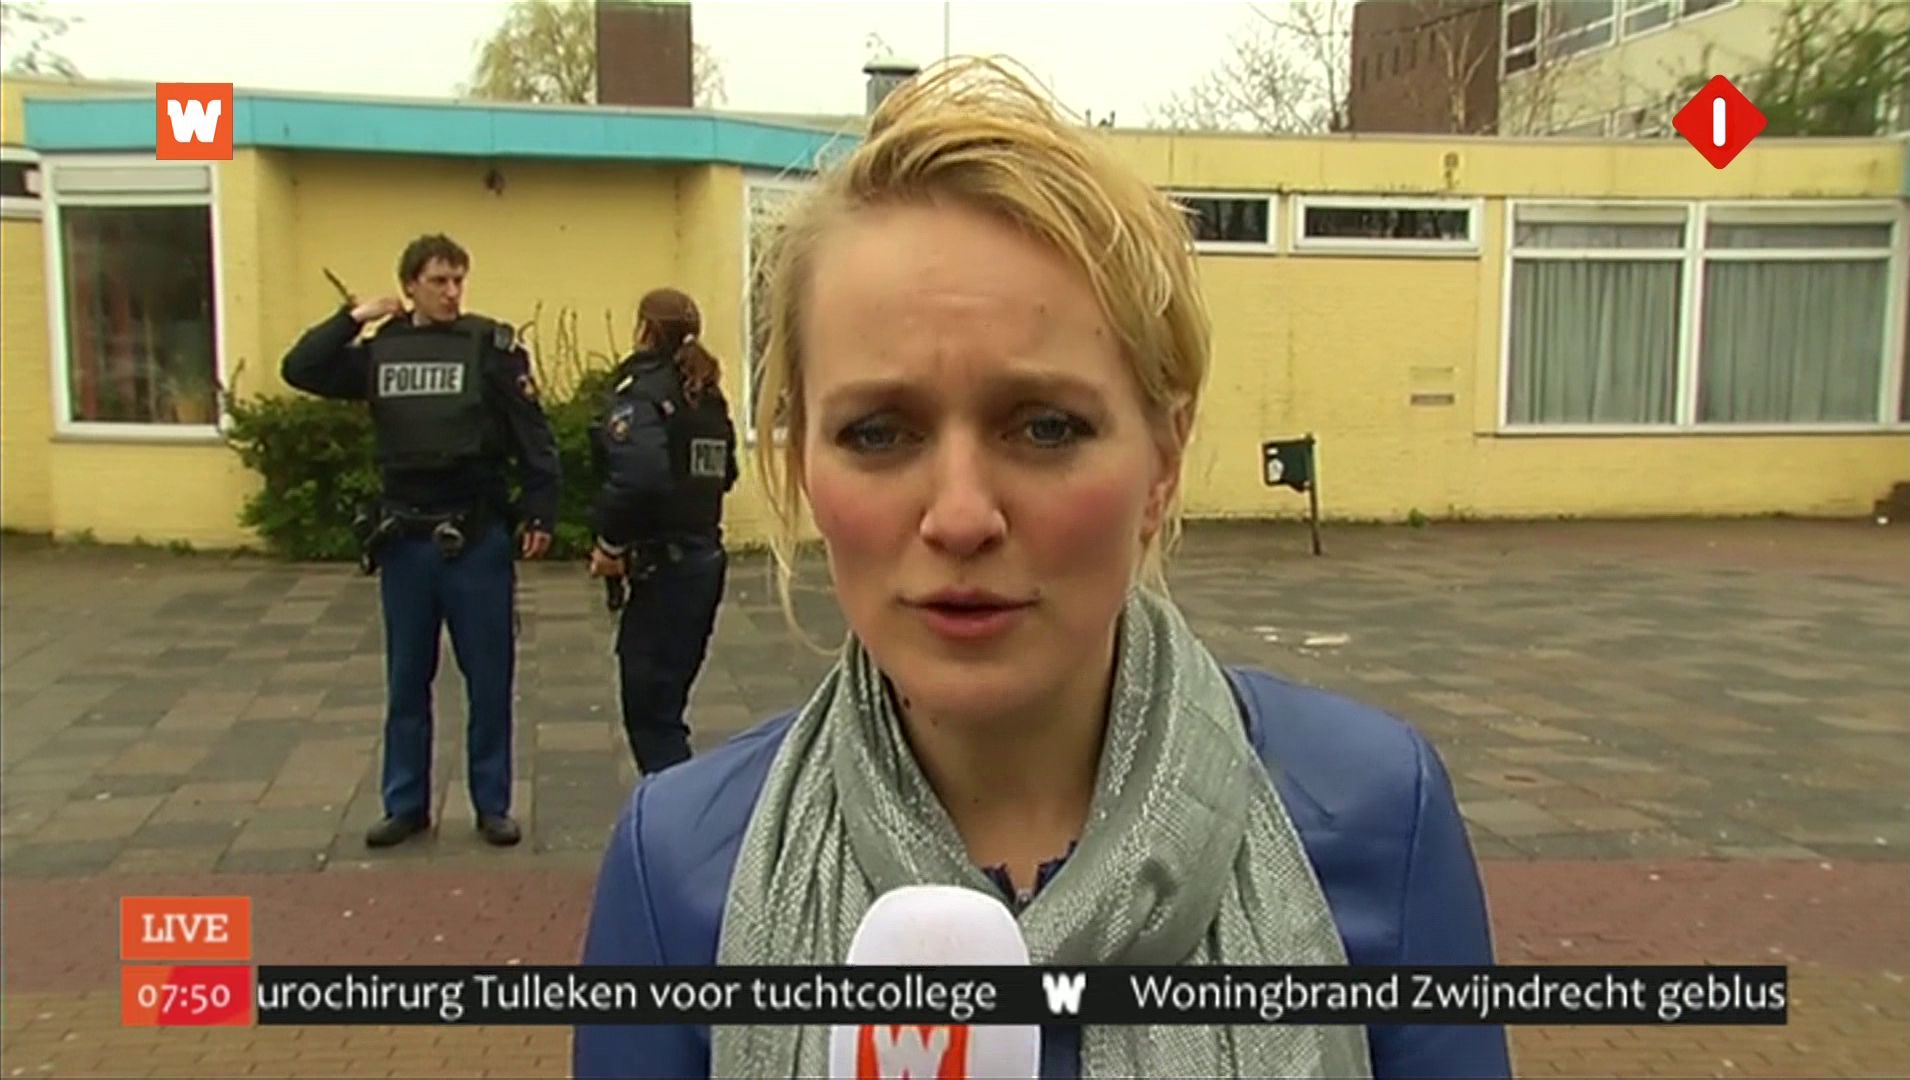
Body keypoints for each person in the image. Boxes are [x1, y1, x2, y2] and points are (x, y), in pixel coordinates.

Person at [575, 59, 1509, 1079]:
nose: (961, 516)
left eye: (1047, 426)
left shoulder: (1374, 818)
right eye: (879, 432)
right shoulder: (679, 872)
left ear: (1163, 458)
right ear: (802, 464)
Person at [281, 233, 559, 849]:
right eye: (438, 281)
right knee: (407, 680)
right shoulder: (383, 351)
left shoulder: (489, 347)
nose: (452, 292)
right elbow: (300, 369)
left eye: (458, 280)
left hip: (475, 538)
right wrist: (353, 318)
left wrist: (540, 513)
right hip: (406, 541)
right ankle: (405, 804)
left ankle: (492, 804)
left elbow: (532, 437)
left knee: (488, 679)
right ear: (409, 286)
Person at [586, 287, 739, 775]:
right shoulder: (706, 395)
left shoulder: (644, 392)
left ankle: (676, 812)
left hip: (664, 569)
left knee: (651, 717)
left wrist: (610, 543)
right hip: (702, 564)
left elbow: (640, 476)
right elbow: (726, 473)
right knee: (667, 709)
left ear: (645, 330)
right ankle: (675, 802)